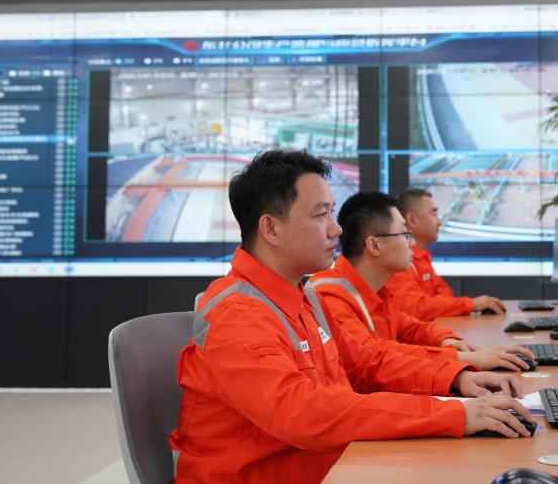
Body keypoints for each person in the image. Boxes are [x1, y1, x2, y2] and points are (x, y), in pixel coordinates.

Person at [169, 150, 533, 484]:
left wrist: (456, 378)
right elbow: (302, 413)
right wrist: (450, 415)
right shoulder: (238, 315)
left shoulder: (303, 298)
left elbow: (366, 362)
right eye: (320, 215)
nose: (336, 229)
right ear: (271, 228)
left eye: (332, 212)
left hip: (321, 463)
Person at [308, 191, 534, 371]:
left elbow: (411, 328)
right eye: (404, 234)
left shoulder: (377, 290)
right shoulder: (330, 295)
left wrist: (446, 340)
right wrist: (461, 359)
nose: (412, 243)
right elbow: (373, 355)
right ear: (374, 245)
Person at [385, 188, 507, 320]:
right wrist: (472, 304)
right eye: (433, 214)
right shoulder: (397, 260)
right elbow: (415, 308)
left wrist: (434, 305)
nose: (439, 222)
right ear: (412, 219)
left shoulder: (422, 256)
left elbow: (446, 295)